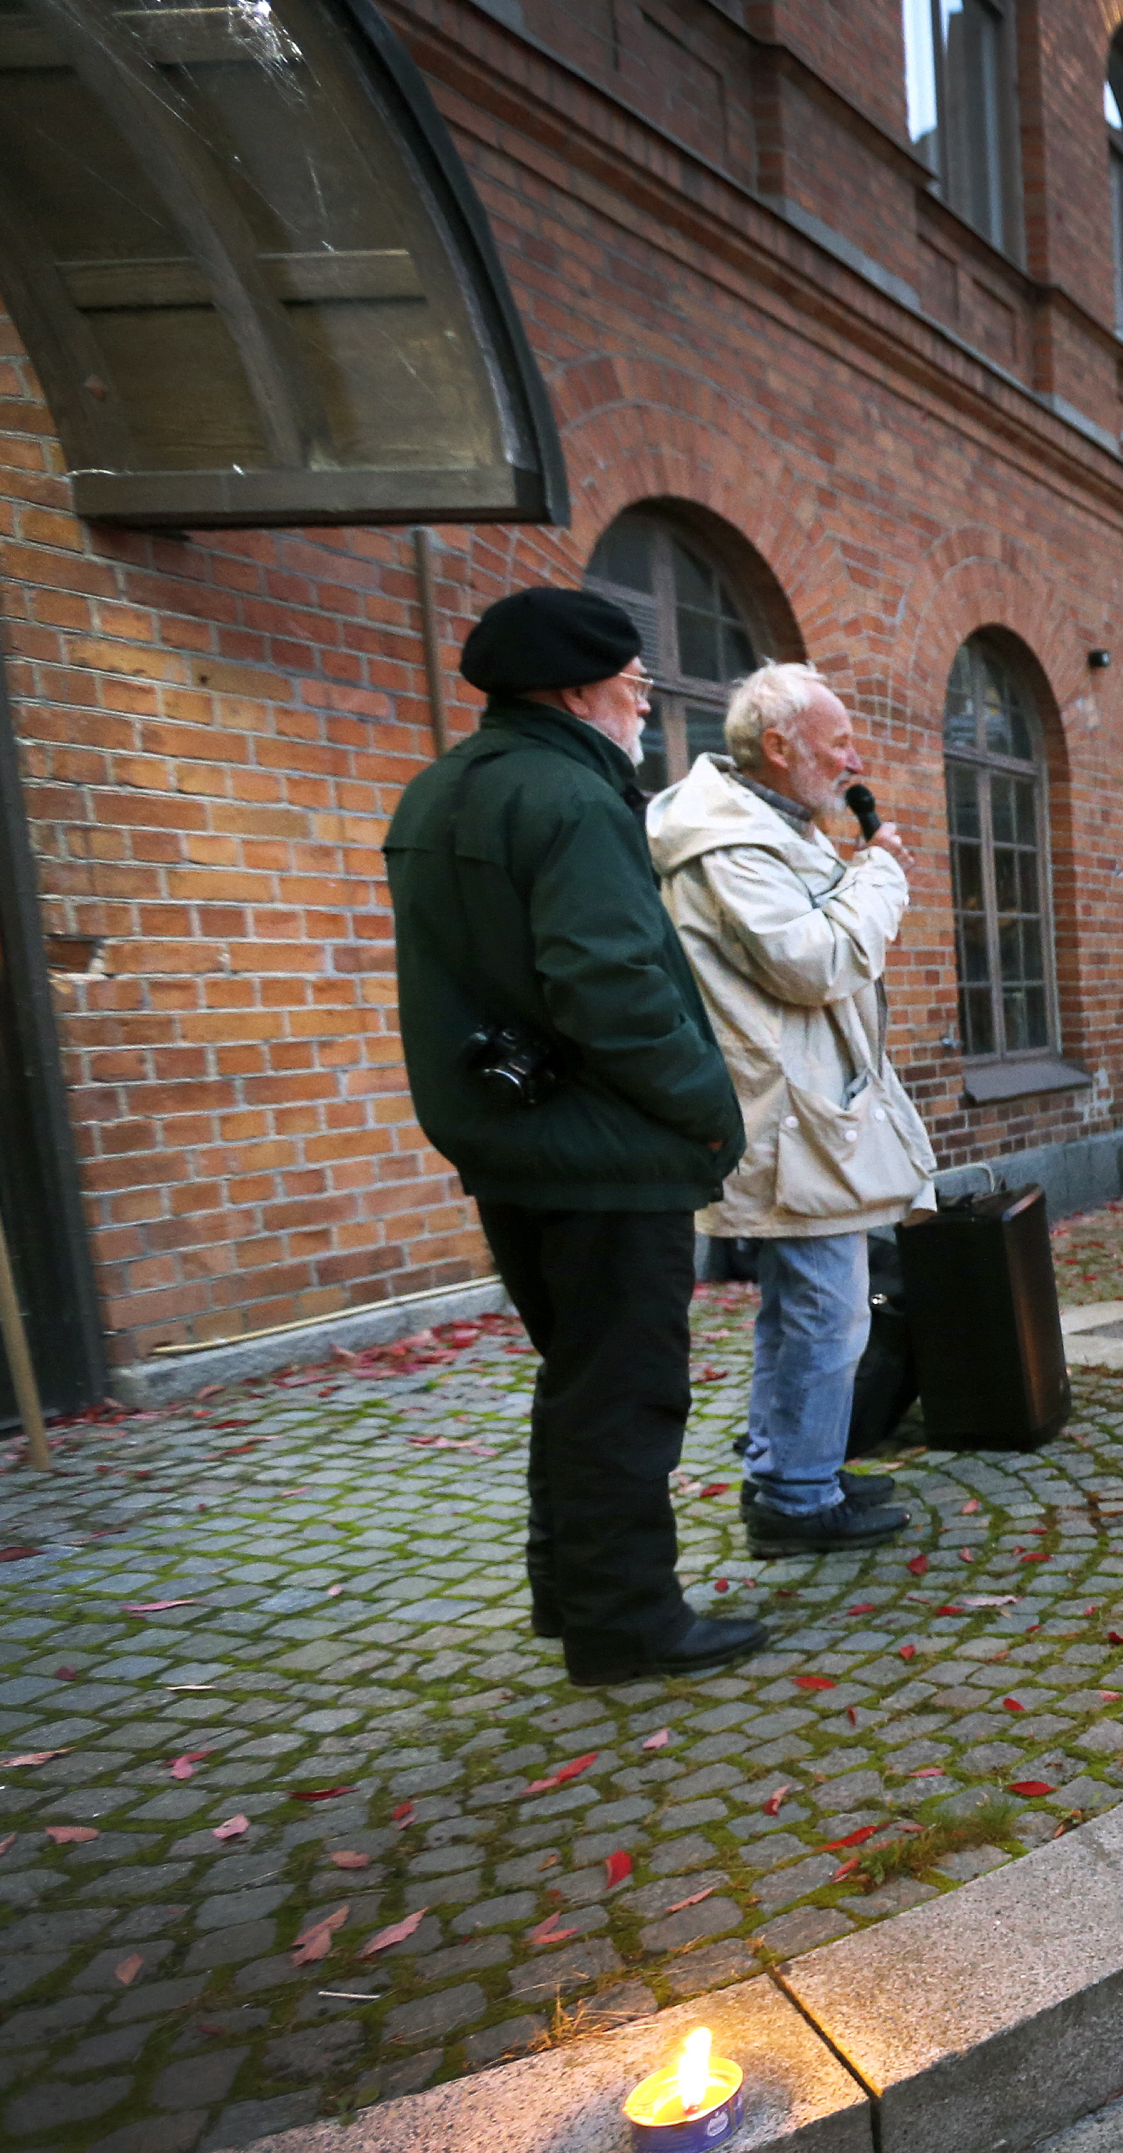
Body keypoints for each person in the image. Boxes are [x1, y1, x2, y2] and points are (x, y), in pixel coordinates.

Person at [381, 586, 758, 1684]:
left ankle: (577, 1596)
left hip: (514, 1143)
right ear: (577, 688)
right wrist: (708, 1111)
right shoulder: (569, 797)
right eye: (635, 684)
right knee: (625, 1390)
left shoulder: (440, 792)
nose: (643, 702)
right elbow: (611, 985)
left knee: (578, 1379)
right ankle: (627, 1622)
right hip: (606, 1155)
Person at [646, 660, 933, 1557]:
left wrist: (856, 870)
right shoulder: (729, 843)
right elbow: (813, 962)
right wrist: (880, 874)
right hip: (791, 1115)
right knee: (826, 1308)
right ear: (778, 746)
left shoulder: (769, 826)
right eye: (837, 740)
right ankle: (797, 1499)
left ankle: (791, 1469)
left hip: (807, 1109)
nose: (855, 757)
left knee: (802, 1305)